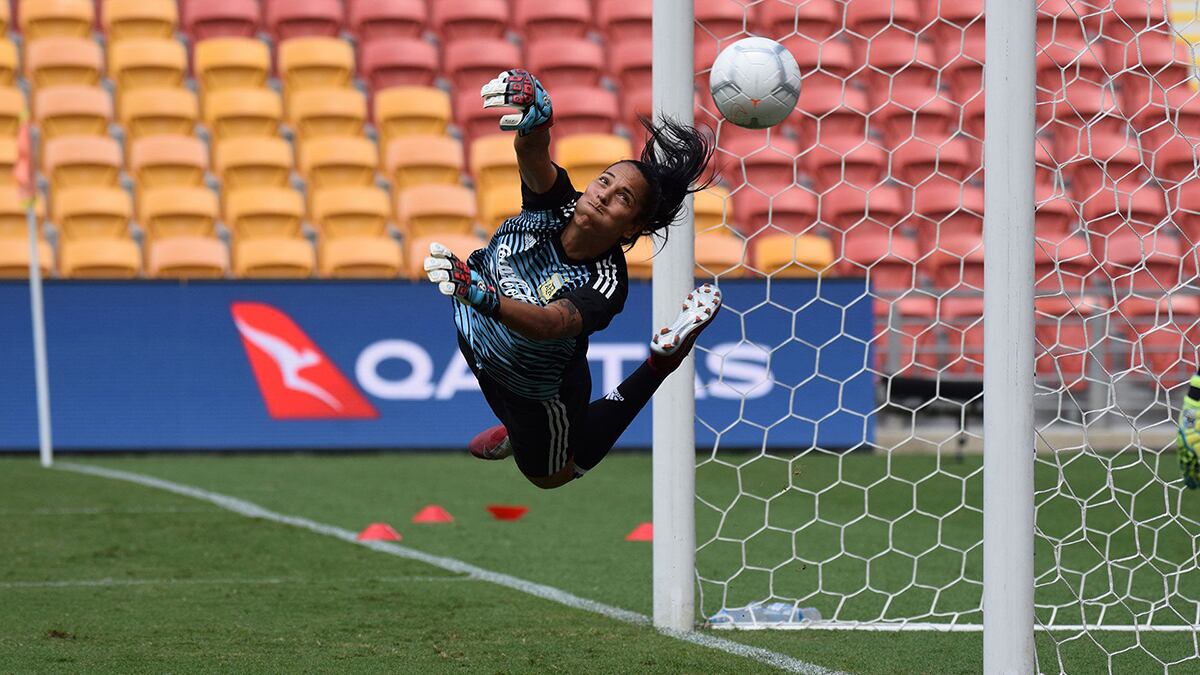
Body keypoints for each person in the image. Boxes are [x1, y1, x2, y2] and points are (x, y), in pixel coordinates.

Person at [423, 69, 722, 489]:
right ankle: (515, 435)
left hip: (538, 390)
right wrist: (537, 119)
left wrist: (480, 293)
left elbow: (552, 325)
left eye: (623, 198)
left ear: (630, 230)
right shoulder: (555, 205)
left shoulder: (605, 282)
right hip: (482, 342)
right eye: (604, 181)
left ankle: (661, 362)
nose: (603, 194)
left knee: (553, 476)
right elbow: (533, 154)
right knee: (518, 419)